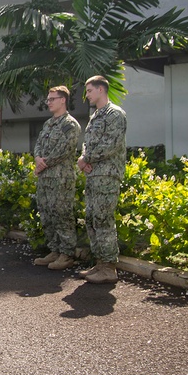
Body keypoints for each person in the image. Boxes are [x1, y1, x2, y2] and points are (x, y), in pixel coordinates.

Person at [77, 75, 127, 284]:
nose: (87, 95)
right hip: (94, 174)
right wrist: (84, 159)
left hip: (107, 175)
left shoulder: (114, 114)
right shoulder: (96, 116)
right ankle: (100, 263)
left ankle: (109, 267)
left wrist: (85, 159)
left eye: (89, 90)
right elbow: (88, 143)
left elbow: (110, 144)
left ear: (100, 90)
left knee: (104, 218)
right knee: (93, 218)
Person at [33, 86, 82, 271]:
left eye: (52, 99)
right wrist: (38, 159)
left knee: (62, 214)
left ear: (63, 100)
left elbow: (64, 149)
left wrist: (43, 163)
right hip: (45, 177)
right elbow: (37, 145)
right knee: (46, 214)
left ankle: (66, 254)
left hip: (61, 178)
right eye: (48, 99)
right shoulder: (48, 124)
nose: (49, 102)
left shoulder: (70, 124)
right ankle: (54, 250)